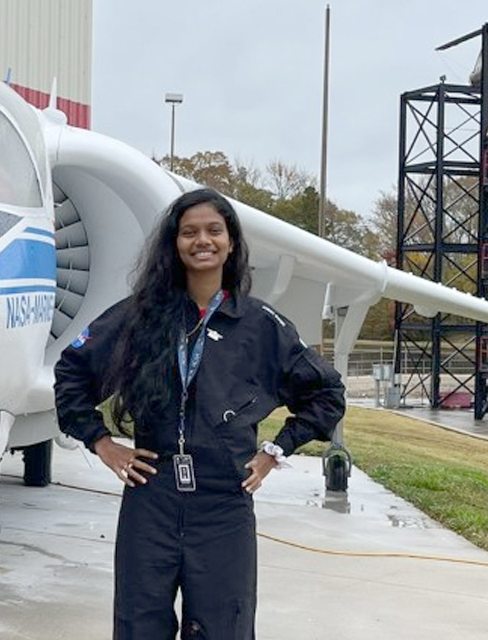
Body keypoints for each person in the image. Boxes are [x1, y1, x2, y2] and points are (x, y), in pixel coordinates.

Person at [54, 188, 345, 639]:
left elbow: (326, 392)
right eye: (189, 232)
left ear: (231, 243)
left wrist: (275, 450)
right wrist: (102, 442)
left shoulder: (259, 324)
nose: (202, 240)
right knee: (138, 625)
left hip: (223, 500)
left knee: (223, 627)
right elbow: (71, 371)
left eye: (214, 230)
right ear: (174, 244)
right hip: (151, 494)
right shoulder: (139, 316)